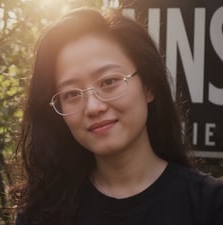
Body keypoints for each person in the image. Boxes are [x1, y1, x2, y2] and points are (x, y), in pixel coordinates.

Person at [14, 7, 223, 225]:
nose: (93, 107)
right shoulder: (39, 214)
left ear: (148, 85)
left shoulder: (211, 206)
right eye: (72, 94)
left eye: (109, 82)